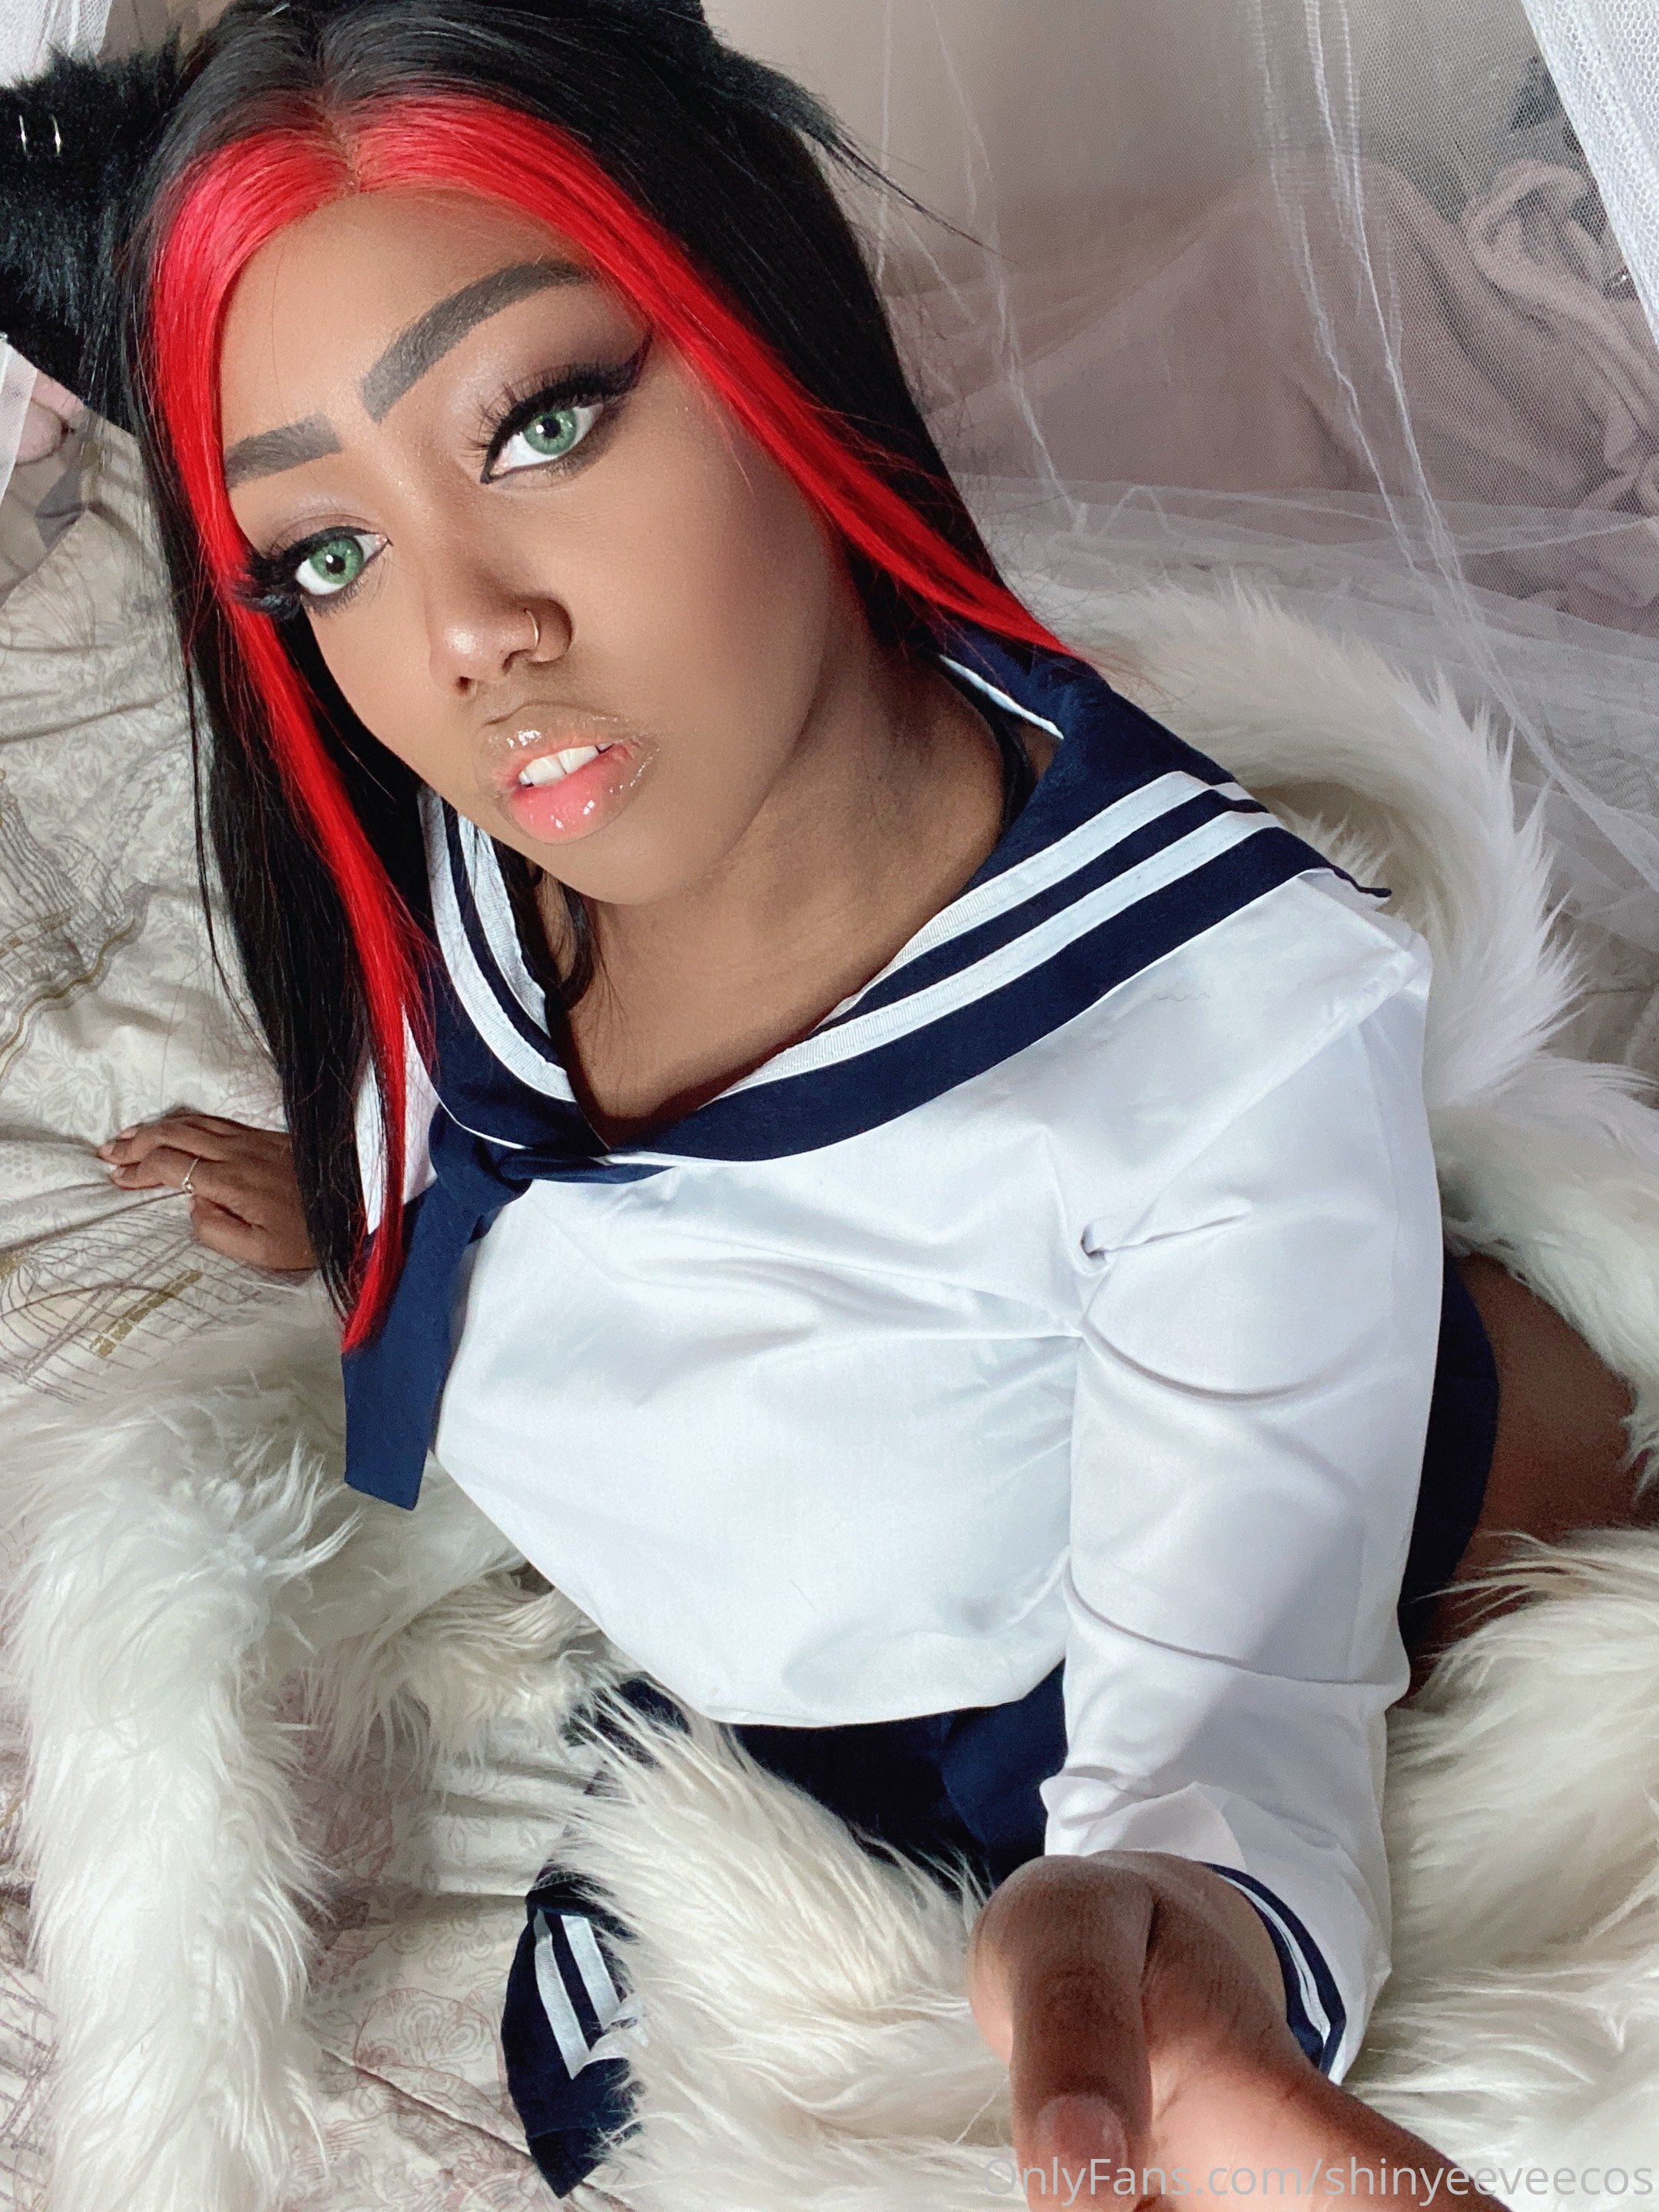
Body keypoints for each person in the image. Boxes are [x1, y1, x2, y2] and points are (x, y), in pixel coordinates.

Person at [52, 0, 1647, 2201]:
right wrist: (373, 1212)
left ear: (771, 330)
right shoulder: (458, 842)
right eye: (328, 551)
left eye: (539, 424)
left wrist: (1187, 1939)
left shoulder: (1230, 1043)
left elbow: (1229, 1722)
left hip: (1185, 1610)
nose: (467, 634)